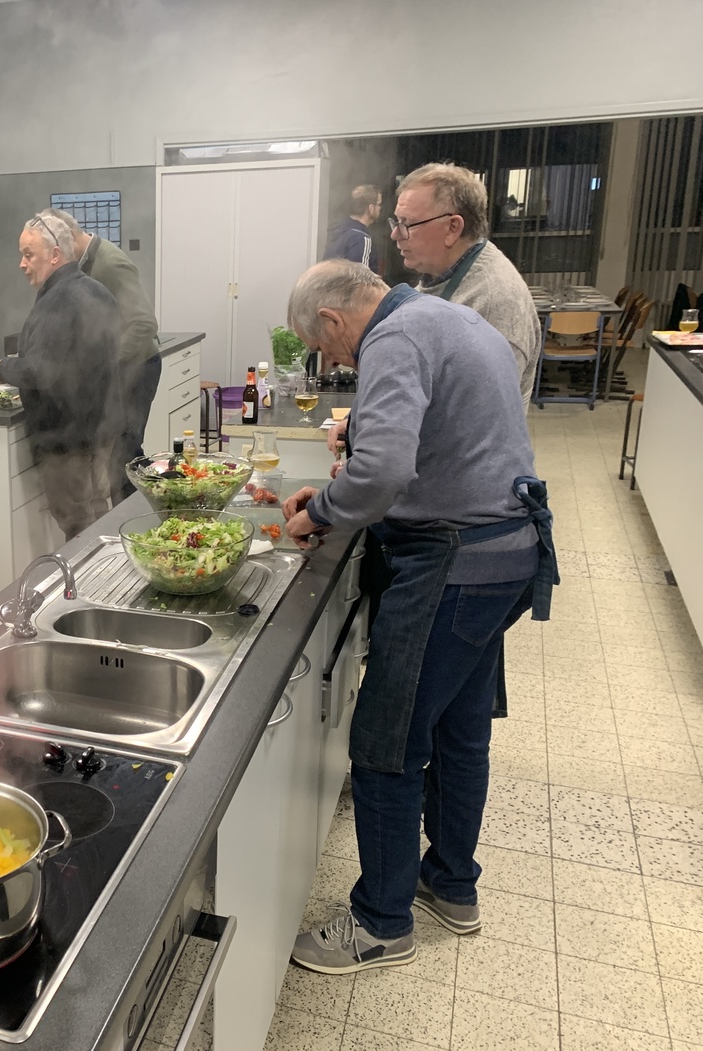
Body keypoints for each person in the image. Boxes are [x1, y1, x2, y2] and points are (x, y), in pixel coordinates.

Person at [280, 260, 556, 975]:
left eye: (323, 348)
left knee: (386, 741)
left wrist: (318, 512)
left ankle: (380, 923)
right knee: (459, 731)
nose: (332, 363)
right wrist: (356, 467)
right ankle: (451, 885)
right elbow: (439, 442)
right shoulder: (446, 316)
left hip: (452, 564)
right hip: (504, 553)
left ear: (333, 319)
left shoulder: (393, 337)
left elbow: (382, 473)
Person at [0, 213, 120, 540]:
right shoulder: (97, 290)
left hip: (65, 439)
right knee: (98, 513)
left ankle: (87, 573)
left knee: (77, 525)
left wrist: (2, 368)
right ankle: (107, 570)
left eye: (29, 255)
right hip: (100, 430)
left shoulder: (57, 302)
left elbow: (40, 370)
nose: (22, 264)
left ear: (55, 255)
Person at [391, 163, 540, 412]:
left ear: (453, 228)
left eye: (408, 224)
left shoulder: (494, 302)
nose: (396, 234)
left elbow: (480, 415)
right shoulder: (439, 274)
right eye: (396, 222)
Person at [39, 208, 161, 504]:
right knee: (123, 454)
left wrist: (103, 364)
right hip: (119, 371)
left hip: (136, 369)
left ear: (67, 237)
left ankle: (133, 524)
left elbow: (144, 324)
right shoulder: (84, 263)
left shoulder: (110, 262)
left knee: (123, 458)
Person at [324, 185, 383, 273]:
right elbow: (360, 277)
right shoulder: (361, 238)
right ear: (370, 208)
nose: (380, 208)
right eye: (379, 204)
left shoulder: (338, 231)